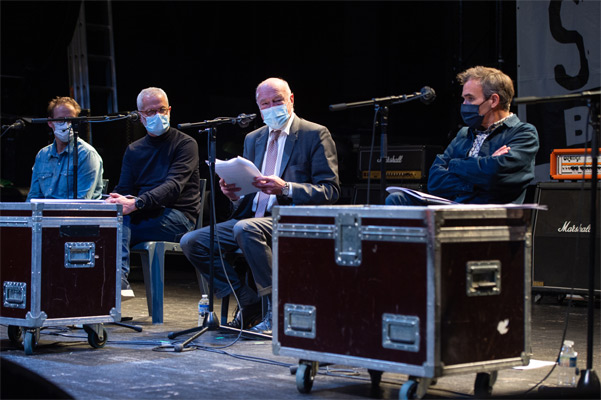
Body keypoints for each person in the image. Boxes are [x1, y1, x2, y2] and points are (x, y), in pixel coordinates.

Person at [180, 77, 340, 334]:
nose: (271, 107)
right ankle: (248, 300)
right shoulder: (253, 138)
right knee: (192, 241)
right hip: (250, 218)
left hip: (289, 219)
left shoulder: (314, 134)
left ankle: (276, 311)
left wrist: (285, 188)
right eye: (265, 103)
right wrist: (233, 194)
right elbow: (248, 191)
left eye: (277, 101)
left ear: (291, 100)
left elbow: (330, 190)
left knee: (246, 229)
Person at [386, 66, 539, 206]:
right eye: (464, 99)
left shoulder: (523, 133)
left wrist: (453, 165)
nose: (464, 104)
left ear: (493, 100)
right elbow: (435, 180)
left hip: (489, 211)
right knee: (397, 199)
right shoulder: (464, 133)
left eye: (470, 98)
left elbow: (495, 176)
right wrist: (482, 170)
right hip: (455, 206)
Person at [106, 87, 201, 297]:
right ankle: (102, 288)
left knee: (120, 225)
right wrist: (111, 202)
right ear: (140, 116)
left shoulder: (185, 144)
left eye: (162, 110)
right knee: (105, 223)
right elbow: (124, 189)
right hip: (144, 213)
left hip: (178, 217)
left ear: (169, 110)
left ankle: (117, 283)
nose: (158, 115)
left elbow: (173, 187)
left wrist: (137, 203)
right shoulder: (134, 149)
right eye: (150, 112)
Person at [26, 97, 104, 201]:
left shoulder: (86, 154)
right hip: (46, 211)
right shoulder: (42, 155)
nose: (67, 125)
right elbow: (33, 197)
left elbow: (82, 202)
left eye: (71, 120)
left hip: (73, 211)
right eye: (61, 120)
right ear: (50, 122)